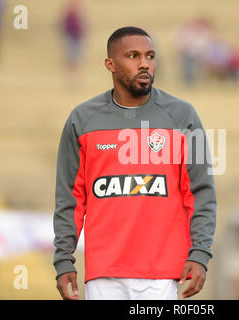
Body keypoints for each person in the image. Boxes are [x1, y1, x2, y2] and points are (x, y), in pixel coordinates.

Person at [53, 26, 217, 300]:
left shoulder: (184, 116)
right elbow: (70, 199)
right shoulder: (80, 120)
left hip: (162, 274)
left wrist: (200, 253)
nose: (144, 64)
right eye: (133, 56)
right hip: (103, 275)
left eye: (150, 56)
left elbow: (201, 193)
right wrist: (63, 259)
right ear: (110, 64)